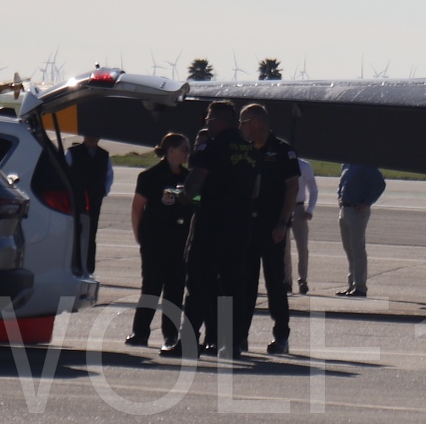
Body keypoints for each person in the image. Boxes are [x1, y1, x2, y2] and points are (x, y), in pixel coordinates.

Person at [180, 101, 259, 357]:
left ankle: (189, 343)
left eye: (210, 120)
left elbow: (194, 183)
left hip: (212, 224)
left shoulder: (210, 148)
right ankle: (231, 343)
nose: (207, 124)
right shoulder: (250, 150)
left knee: (199, 283)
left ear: (221, 122)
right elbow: (256, 190)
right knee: (233, 285)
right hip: (240, 225)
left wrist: (181, 197)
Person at [238, 104, 301, 355]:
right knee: (245, 284)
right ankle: (240, 336)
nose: (240, 127)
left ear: (255, 123)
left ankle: (281, 337)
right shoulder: (243, 150)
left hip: (272, 226)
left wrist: (283, 223)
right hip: (247, 226)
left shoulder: (283, 151)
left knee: (275, 284)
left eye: (243, 122)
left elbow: (292, 189)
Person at [125, 133, 195, 348]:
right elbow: (137, 207)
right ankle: (140, 332)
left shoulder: (189, 177)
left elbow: (196, 203)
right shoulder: (150, 176)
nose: (187, 153)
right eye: (183, 148)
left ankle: (170, 335)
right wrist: (139, 236)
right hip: (155, 239)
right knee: (151, 287)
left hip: (179, 240)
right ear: (171, 150)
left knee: (174, 290)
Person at [65, 133, 114, 274]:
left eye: (95, 135)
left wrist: (103, 192)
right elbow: (65, 172)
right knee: (74, 233)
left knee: (91, 233)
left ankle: (88, 267)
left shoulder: (104, 155)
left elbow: (109, 176)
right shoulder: (72, 152)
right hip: (75, 201)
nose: (92, 138)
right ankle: (71, 264)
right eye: (89, 135)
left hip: (94, 201)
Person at [336, 162, 386, 297]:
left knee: (357, 249)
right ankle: (351, 285)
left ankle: (360, 287)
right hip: (345, 209)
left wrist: (367, 202)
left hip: (357, 211)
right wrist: (339, 196)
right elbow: (342, 182)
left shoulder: (365, 164)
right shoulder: (346, 164)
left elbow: (380, 184)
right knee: (349, 250)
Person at [286, 156, 317, 294]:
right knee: (284, 247)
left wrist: (310, 209)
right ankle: (286, 281)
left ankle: (302, 279)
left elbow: (313, 189)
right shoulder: (281, 163)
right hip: (283, 207)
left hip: (299, 208)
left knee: (302, 246)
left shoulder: (304, 166)